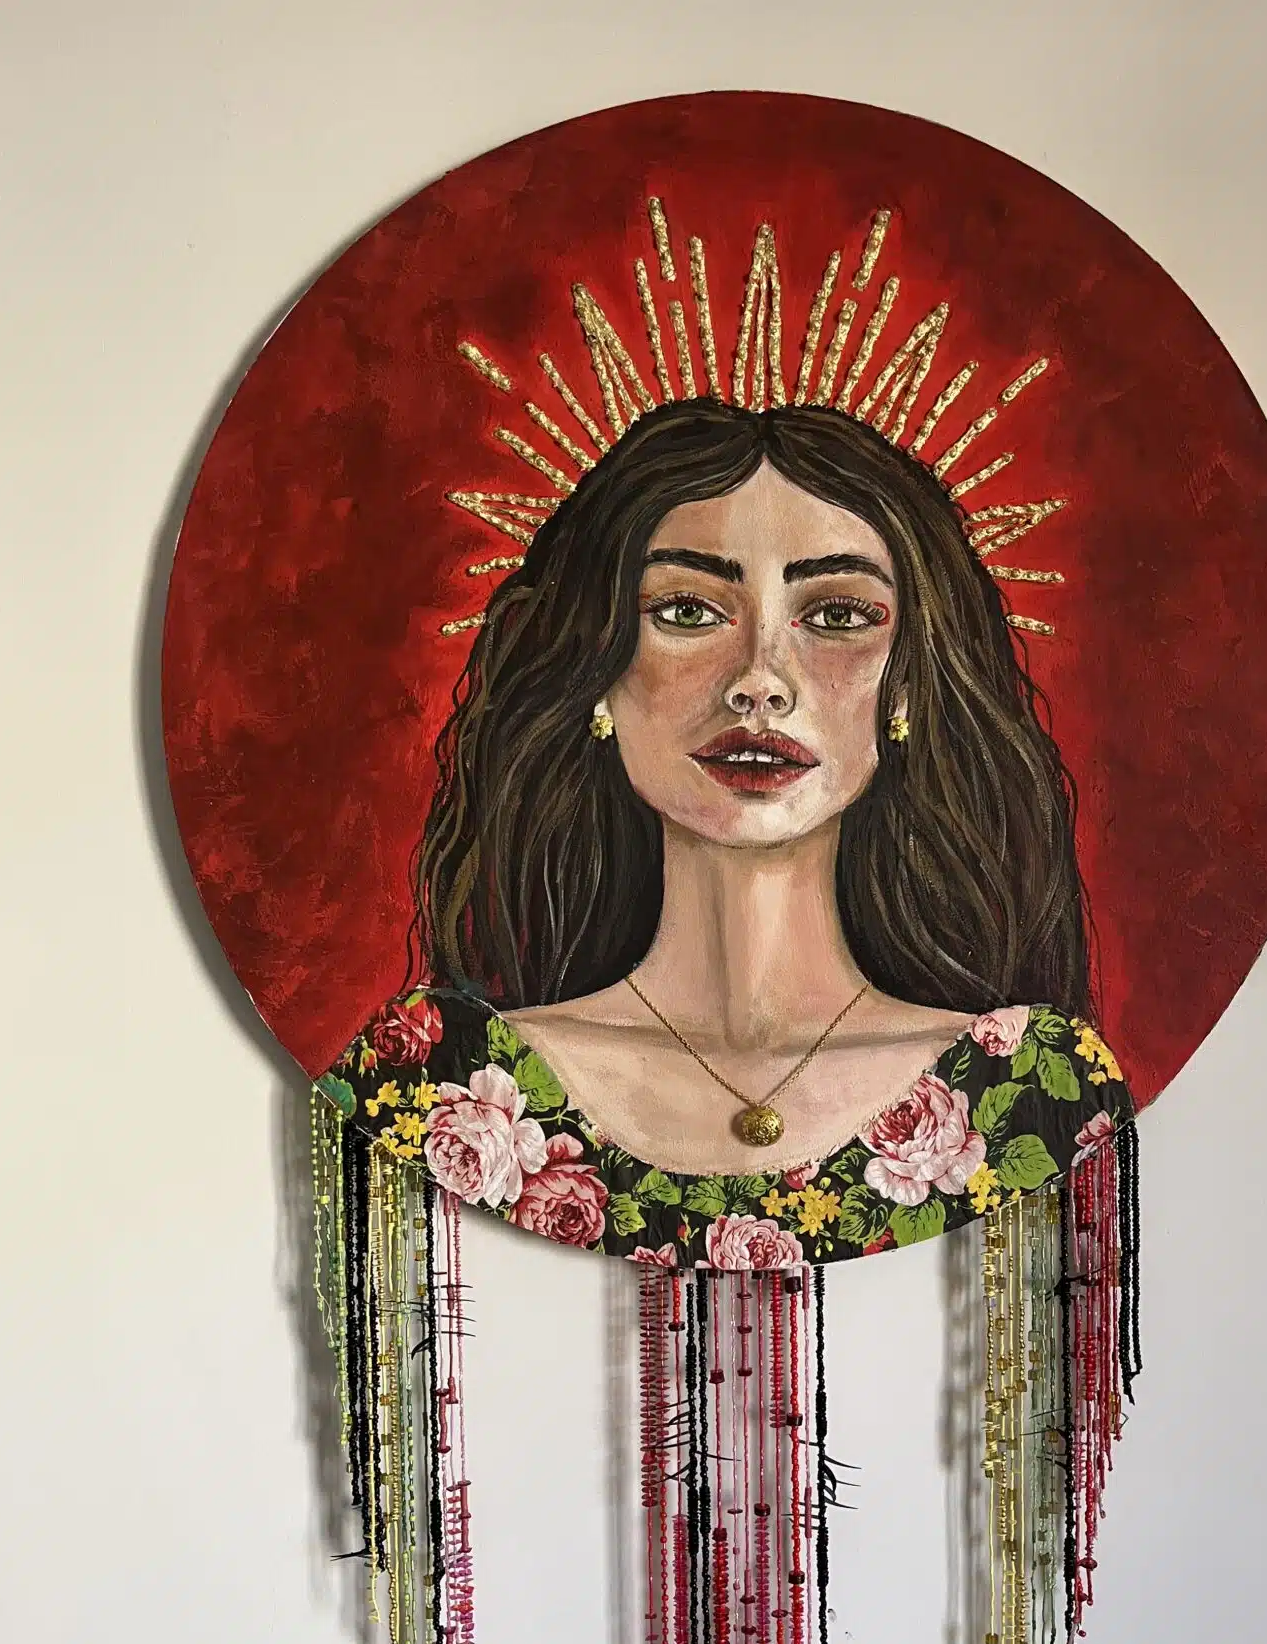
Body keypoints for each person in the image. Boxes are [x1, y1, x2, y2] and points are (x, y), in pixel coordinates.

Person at [332, 399, 1130, 1260]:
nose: (760, 681)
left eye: (837, 616)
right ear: (598, 671)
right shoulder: (436, 1084)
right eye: (687, 610)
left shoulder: (1029, 1089)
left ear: (907, 685)